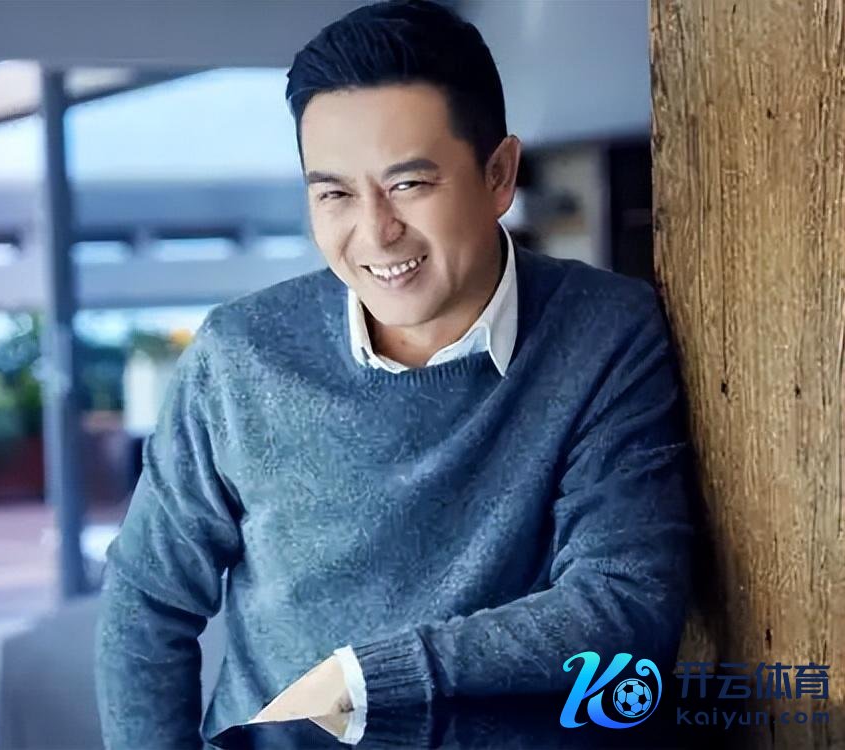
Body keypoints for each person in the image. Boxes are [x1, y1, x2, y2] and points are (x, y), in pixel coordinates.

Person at [94, 1, 695, 747]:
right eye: (335, 194)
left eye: (409, 185)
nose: (375, 233)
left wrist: (372, 679)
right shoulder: (238, 356)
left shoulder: (604, 332)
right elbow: (146, 599)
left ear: (499, 175)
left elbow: (625, 601)